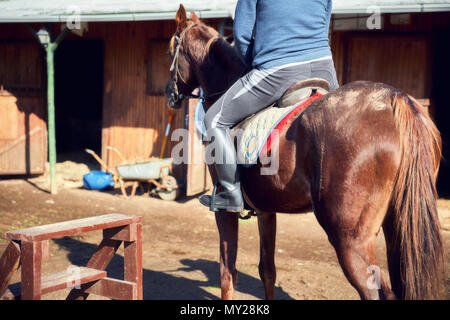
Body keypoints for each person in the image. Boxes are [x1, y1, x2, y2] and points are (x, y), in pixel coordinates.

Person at [199, 0, 339, 213]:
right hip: (325, 68)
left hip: (278, 69)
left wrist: (252, 64)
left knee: (214, 119)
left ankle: (230, 193)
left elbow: (243, 35)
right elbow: (325, 21)